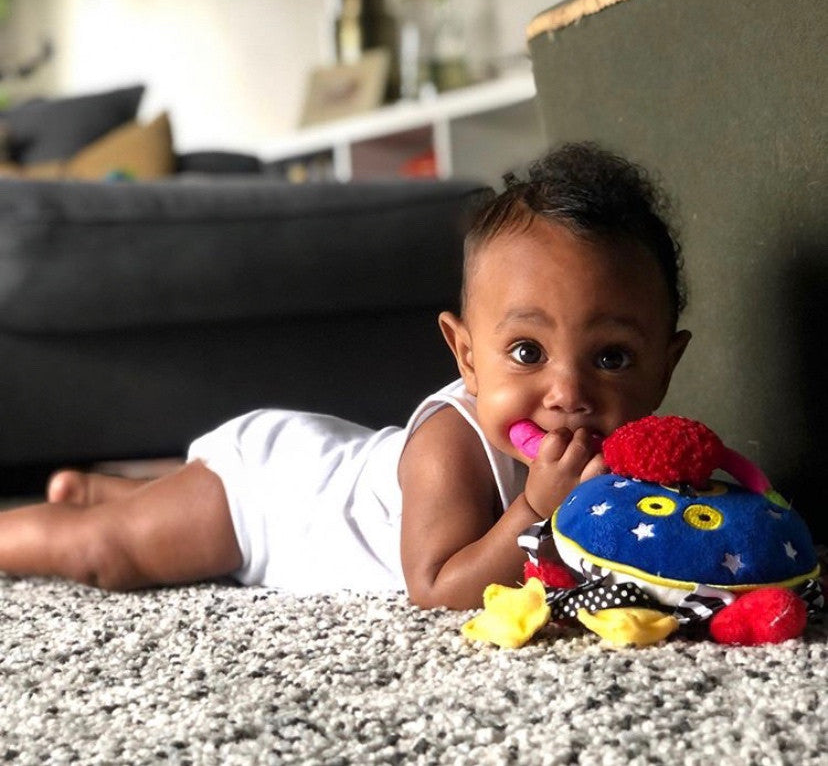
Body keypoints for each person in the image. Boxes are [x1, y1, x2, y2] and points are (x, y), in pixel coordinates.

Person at [0, 143, 691, 610]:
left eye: (611, 359)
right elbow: (436, 586)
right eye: (526, 353)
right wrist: (536, 511)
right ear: (467, 355)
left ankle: (113, 490)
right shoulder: (450, 447)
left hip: (331, 458)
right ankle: (44, 526)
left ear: (665, 365)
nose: (568, 393)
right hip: (267, 501)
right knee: (107, 553)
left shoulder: (625, 453)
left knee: (143, 516)